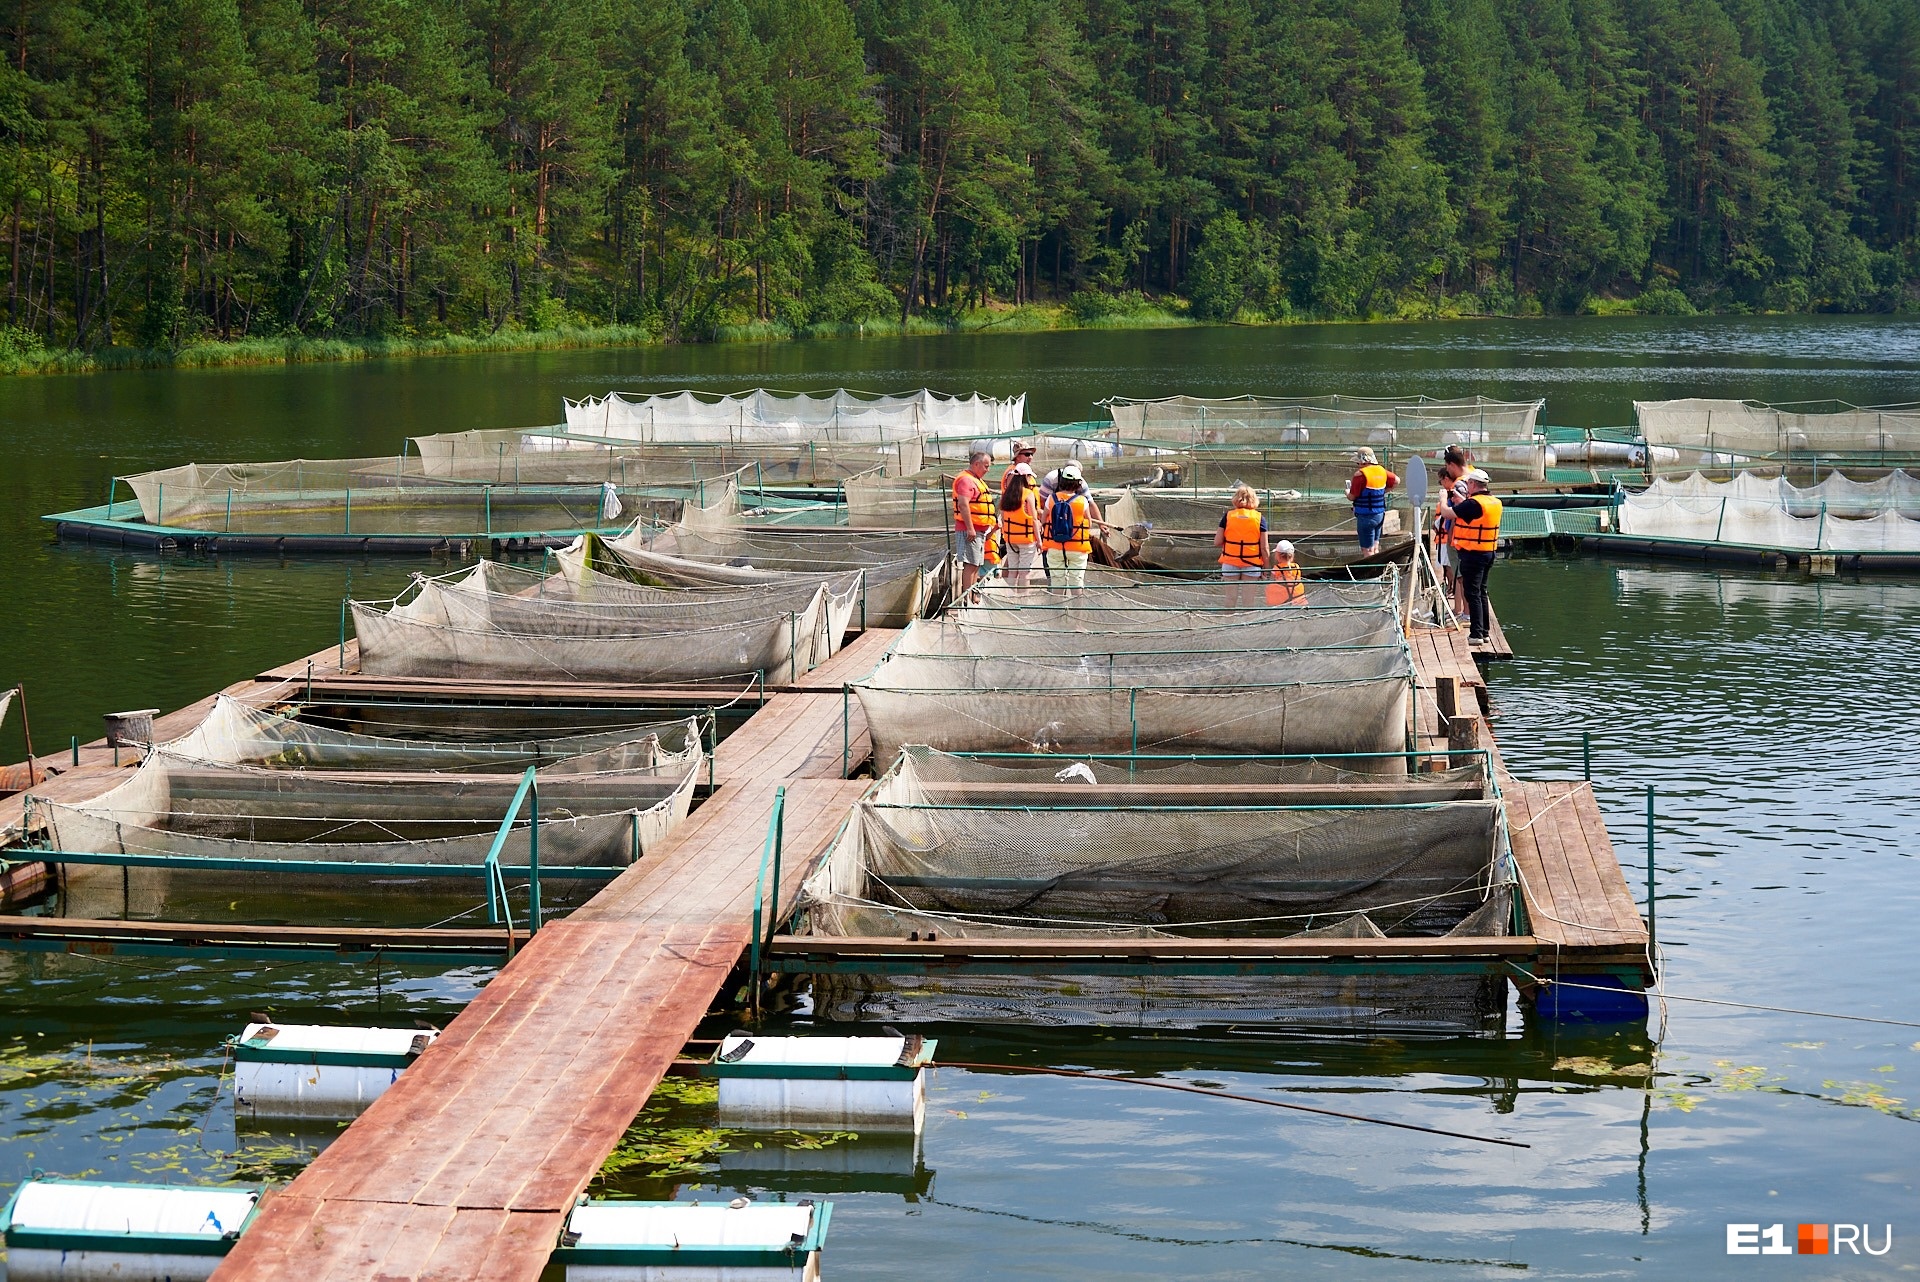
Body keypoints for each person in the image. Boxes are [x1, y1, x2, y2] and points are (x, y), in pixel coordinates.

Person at [1450, 468, 1502, 644]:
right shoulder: (1494, 501)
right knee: (1481, 592)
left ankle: (1476, 634)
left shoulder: (1473, 503)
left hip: (1473, 554)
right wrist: (1461, 501)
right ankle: (1484, 632)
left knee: (1472, 592)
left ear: (1472, 484)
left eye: (1468, 483)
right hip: (1488, 552)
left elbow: (1448, 513)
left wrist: (1444, 499)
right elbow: (1474, 511)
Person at [1041, 461, 1100, 594]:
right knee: (1076, 582)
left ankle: (1058, 610)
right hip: (1077, 548)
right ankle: (1077, 612)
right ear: (1078, 484)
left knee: (1057, 582)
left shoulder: (1051, 498)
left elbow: (1043, 520)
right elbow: (1089, 523)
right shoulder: (1082, 501)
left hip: (1055, 546)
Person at [1213, 483, 1271, 608]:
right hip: (1252, 564)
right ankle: (1248, 626)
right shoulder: (1260, 519)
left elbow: (1217, 541)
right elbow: (1265, 548)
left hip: (1230, 562)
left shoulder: (1228, 516)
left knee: (1230, 599)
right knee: (1248, 602)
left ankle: (1228, 624)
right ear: (1254, 500)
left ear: (1235, 499)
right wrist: (1266, 568)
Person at [1434, 445, 1472, 621]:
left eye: (1448, 467)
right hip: (1462, 537)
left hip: (1458, 537)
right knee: (1459, 577)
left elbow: (1457, 512)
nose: (1447, 472)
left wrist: (1443, 501)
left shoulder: (1460, 484)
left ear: (1452, 464)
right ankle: (1462, 611)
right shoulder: (1471, 478)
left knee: (1461, 578)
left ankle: (1465, 613)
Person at [952, 450, 996, 594]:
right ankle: (967, 597)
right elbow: (963, 504)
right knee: (970, 564)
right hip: (970, 529)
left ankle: (972, 594)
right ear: (976, 464)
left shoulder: (975, 479)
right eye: (986, 466)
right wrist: (970, 529)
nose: (987, 470)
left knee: (976, 564)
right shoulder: (966, 480)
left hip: (980, 529)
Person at [1346, 447, 1400, 557]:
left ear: (1362, 461)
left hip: (1366, 517)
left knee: (1367, 551)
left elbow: (1352, 497)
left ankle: (1372, 572)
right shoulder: (1381, 470)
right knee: (1375, 548)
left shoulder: (1360, 475)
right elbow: (1397, 481)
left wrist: (1346, 492)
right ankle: (1379, 570)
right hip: (1380, 515)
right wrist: (1382, 492)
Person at [998, 463, 1043, 590]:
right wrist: (1039, 541)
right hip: (1026, 539)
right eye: (1029, 477)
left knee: (1013, 571)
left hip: (1011, 539)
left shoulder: (1006, 494)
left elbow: (1003, 516)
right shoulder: (1028, 493)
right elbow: (1034, 519)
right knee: (1024, 572)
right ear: (1026, 477)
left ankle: (1010, 598)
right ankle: (1023, 598)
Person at [1266, 539, 1305, 605]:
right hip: (1297, 597)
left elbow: (1272, 581)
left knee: (1269, 587)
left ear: (1278, 556)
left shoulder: (1276, 568)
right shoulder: (1297, 566)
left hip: (1281, 598)